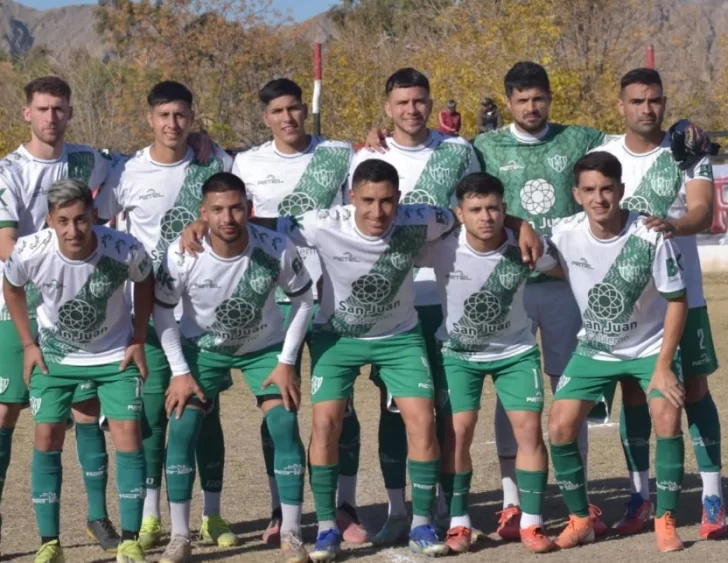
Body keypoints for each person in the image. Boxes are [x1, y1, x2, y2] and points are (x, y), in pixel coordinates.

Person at [364, 61, 609, 537]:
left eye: (538, 98)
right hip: (442, 298)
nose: (531, 106)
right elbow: (471, 205)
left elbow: (632, 146)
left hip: (544, 284)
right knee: (428, 410)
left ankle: (570, 499)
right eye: (522, 99)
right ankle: (462, 506)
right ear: (509, 101)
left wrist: (521, 225)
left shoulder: (562, 139)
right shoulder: (473, 146)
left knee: (562, 394)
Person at [94, 81, 235, 551]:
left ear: (192, 118)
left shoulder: (214, 163)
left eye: (180, 115)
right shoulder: (128, 171)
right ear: (150, 119)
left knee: (206, 414)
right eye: (163, 115)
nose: (172, 124)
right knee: (154, 413)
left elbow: (236, 211)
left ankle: (212, 514)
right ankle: (152, 516)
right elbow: (98, 224)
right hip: (148, 312)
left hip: (205, 310)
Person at [349, 67, 481, 546]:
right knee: (393, 408)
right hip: (394, 302)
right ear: (388, 108)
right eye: (402, 102)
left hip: (447, 295)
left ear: (431, 103)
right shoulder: (369, 155)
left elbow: (478, 205)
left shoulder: (458, 151)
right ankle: (397, 509)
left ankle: (446, 506)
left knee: (446, 405)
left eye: (419, 100)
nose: (411, 110)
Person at [230, 78, 364, 546]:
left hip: (331, 298)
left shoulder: (340, 154)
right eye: (277, 111)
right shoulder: (247, 163)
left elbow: (365, 199)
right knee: (278, 409)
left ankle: (344, 506)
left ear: (305, 109)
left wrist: (377, 139)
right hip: (274, 301)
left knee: (341, 407)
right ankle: (280, 508)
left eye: (293, 108)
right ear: (265, 117)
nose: (287, 118)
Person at [153, 172, 313, 563]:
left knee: (284, 424)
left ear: (248, 209)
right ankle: (179, 536)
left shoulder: (276, 246)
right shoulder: (181, 254)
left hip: (263, 349)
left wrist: (287, 362)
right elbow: (162, 311)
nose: (228, 218)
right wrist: (179, 371)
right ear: (203, 213)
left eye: (236, 208)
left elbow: (304, 300)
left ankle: (291, 534)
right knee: (182, 428)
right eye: (218, 210)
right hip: (202, 349)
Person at [598, 68, 725, 538]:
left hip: (681, 296)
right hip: (629, 302)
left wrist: (674, 225)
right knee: (635, 395)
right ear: (621, 106)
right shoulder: (604, 153)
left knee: (694, 392)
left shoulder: (687, 150)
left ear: (664, 104)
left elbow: (703, 211)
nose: (646, 109)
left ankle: (712, 496)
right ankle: (640, 496)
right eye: (637, 101)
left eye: (654, 100)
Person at [541, 151, 688, 552]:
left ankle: (665, 518)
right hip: (595, 347)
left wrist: (663, 365)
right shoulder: (564, 232)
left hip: (650, 347)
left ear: (621, 190)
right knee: (559, 426)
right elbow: (532, 249)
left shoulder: (650, 234)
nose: (599, 198)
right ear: (576, 194)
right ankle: (580, 520)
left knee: (667, 416)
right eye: (589, 190)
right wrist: (519, 228)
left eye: (606, 189)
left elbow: (678, 300)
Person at [3, 179, 153, 563]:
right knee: (46, 437)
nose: (74, 230)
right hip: (54, 358)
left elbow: (145, 280)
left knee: (128, 435)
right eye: (64, 221)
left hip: (113, 356)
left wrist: (138, 336)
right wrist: (29, 344)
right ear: (50, 220)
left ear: (94, 215)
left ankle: (130, 541)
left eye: (81, 219)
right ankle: (50, 544)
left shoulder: (124, 248)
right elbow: (11, 286)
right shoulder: (30, 251)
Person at [0, 76, 119, 552]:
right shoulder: (9, 170)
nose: (51, 117)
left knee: (87, 411)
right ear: (27, 113)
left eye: (59, 109)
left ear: (70, 112)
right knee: (6, 412)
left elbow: (152, 159)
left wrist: (200, 140)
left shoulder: (90, 160)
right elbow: (6, 246)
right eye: (43, 108)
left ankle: (97, 517)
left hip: (79, 312)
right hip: (18, 307)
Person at [416, 172, 553, 555]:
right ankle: (458, 521)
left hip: (515, 352)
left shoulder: (525, 245)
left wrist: (525, 228)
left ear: (504, 209)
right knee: (458, 433)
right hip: (458, 355)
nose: (486, 216)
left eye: (493, 208)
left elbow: (566, 267)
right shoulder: (442, 247)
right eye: (475, 209)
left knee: (529, 431)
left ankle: (531, 521)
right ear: (459, 213)